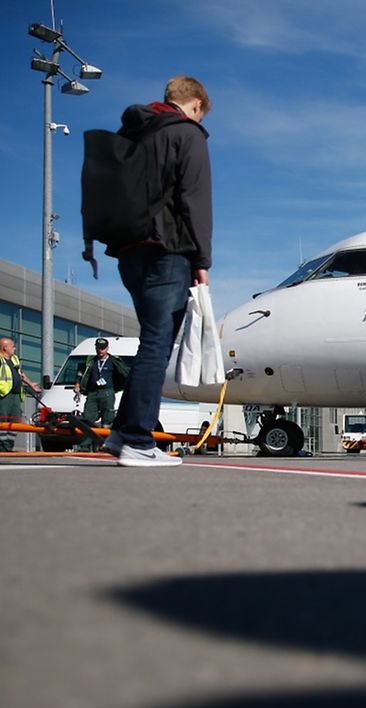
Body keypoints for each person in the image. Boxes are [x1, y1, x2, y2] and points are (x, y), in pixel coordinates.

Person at [104, 76, 214, 467]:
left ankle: (121, 434)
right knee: (157, 342)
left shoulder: (130, 134)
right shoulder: (188, 134)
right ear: (196, 104)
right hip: (168, 250)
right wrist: (202, 260)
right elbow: (194, 199)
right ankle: (137, 440)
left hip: (127, 250)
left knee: (149, 341)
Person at [74, 338, 129, 451]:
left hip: (107, 392)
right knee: (88, 418)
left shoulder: (113, 361)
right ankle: (84, 446)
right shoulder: (91, 361)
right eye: (98, 348)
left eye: (103, 348)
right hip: (93, 393)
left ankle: (105, 445)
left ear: (107, 349)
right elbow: (80, 371)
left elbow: (125, 372)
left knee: (107, 419)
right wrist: (78, 383)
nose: (100, 351)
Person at [0, 337, 42, 453]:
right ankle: (3, 446)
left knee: (15, 420)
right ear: (5, 348)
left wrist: (31, 384)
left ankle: (8, 445)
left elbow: (21, 374)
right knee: (2, 421)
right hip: (4, 395)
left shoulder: (14, 359)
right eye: (12, 346)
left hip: (15, 395)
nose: (15, 348)